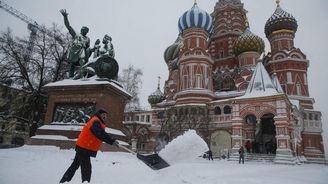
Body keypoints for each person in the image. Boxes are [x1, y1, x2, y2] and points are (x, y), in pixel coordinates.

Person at [59, 108, 119, 183]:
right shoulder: (95, 121)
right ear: (99, 114)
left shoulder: (98, 121)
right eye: (103, 114)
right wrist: (111, 140)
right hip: (85, 147)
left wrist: (111, 140)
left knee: (75, 165)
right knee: (86, 169)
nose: (105, 116)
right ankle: (84, 182)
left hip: (83, 146)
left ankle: (64, 181)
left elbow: (100, 133)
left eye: (106, 115)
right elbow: (99, 133)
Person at [60, 9, 95, 78]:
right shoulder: (77, 34)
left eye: (87, 31)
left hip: (82, 52)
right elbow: (68, 27)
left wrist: (92, 49)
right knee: (72, 64)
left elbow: (88, 47)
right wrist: (65, 17)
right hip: (75, 51)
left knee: (82, 61)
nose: (85, 31)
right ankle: (71, 77)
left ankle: (82, 75)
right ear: (82, 30)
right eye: (84, 30)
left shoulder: (87, 39)